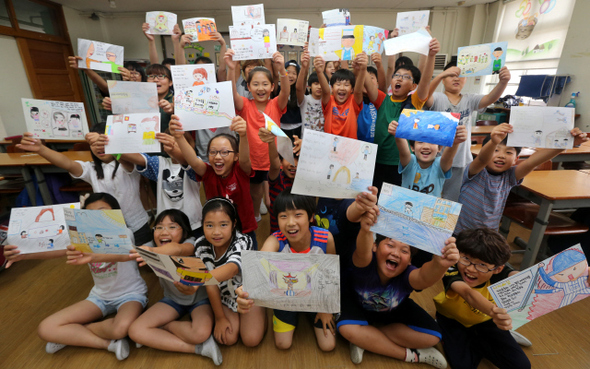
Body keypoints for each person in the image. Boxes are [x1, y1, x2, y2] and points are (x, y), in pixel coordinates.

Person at [4, 193, 148, 360]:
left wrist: (93, 256)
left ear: (116, 214)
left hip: (131, 295)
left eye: (102, 211)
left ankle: (73, 334)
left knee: (120, 329)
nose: (96, 218)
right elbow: (58, 251)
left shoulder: (125, 232)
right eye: (89, 214)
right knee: (46, 328)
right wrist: (23, 256)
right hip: (99, 297)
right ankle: (109, 344)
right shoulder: (83, 237)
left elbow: (125, 255)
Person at [337, 205, 458, 367]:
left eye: (405, 251)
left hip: (393, 311)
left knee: (433, 337)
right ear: (375, 247)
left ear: (409, 261)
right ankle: (411, 356)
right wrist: (365, 230)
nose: (395, 253)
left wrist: (440, 264)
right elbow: (362, 250)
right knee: (347, 329)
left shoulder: (408, 273)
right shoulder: (365, 261)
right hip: (356, 305)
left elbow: (424, 277)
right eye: (390, 245)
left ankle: (366, 339)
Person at [236, 189, 337, 352]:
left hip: (316, 298)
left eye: (298, 215)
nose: (290, 222)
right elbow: (258, 264)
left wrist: (326, 309)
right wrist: (245, 289)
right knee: (283, 344)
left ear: (311, 217)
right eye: (283, 216)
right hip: (285, 299)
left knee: (328, 345)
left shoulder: (325, 239)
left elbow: (331, 274)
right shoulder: (275, 240)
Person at [17, 127, 151, 245]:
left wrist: (110, 144)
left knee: (146, 261)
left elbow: (128, 158)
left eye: (103, 143)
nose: (99, 147)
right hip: (108, 225)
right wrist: (41, 149)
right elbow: (67, 163)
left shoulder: (126, 164)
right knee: (121, 262)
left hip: (137, 224)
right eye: (93, 144)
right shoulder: (91, 169)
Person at [455, 124, 588, 233]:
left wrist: (565, 143)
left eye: (508, 152)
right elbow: (483, 159)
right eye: (496, 150)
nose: (501, 156)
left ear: (516, 159)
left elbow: (533, 162)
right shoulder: (475, 171)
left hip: (488, 234)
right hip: (459, 231)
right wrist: (493, 141)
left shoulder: (509, 176)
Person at [128, 209, 222, 365]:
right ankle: (198, 349)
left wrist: (152, 252)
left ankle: (163, 327)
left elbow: (177, 249)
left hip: (200, 300)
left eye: (172, 227)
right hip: (172, 300)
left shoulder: (191, 243)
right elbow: (129, 253)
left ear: (184, 232)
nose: (164, 232)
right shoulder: (151, 245)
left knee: (200, 333)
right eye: (159, 227)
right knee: (135, 331)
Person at [174, 198, 266, 348]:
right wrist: (220, 318)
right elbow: (211, 285)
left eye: (223, 225)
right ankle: (169, 326)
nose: (216, 232)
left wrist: (197, 280)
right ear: (202, 224)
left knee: (251, 340)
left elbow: (231, 269)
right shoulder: (201, 245)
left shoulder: (243, 240)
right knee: (228, 338)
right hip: (226, 297)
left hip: (248, 294)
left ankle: (261, 310)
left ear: (234, 224)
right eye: (209, 225)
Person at [433, 228, 531, 369]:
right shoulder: (452, 266)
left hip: (486, 322)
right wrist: (495, 313)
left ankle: (488, 338)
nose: (471, 269)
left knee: (522, 366)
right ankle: (479, 340)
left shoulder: (497, 271)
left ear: (497, 269)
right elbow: (468, 294)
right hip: (452, 320)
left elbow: (516, 276)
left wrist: (529, 279)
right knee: (462, 366)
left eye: (482, 265)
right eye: (466, 258)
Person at [424, 61, 511, 201]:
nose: (456, 78)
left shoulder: (469, 99)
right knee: (431, 198)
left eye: (461, 75)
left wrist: (503, 82)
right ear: (444, 79)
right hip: (436, 159)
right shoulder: (438, 98)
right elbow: (424, 96)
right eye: (451, 75)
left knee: (453, 201)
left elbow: (490, 98)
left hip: (461, 161)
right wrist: (440, 75)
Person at [171, 116, 259, 249]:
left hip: (244, 231)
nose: (218, 156)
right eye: (213, 152)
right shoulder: (208, 173)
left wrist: (243, 135)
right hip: (217, 235)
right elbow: (193, 161)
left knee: (249, 266)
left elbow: (246, 159)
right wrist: (179, 137)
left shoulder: (240, 171)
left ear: (236, 156)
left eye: (224, 152)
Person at [225, 49, 289, 224]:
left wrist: (282, 69)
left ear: (272, 87)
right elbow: (231, 94)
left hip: (273, 161)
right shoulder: (245, 104)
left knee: (274, 196)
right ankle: (255, 216)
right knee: (254, 192)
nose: (261, 88)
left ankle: (276, 220)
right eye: (255, 84)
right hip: (252, 162)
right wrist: (232, 69)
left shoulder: (276, 104)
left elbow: (286, 92)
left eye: (265, 84)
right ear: (248, 86)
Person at [102, 131, 204, 238]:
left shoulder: (195, 163)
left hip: (193, 223)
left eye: (176, 142)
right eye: (167, 142)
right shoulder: (160, 163)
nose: (171, 146)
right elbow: (137, 158)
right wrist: (111, 145)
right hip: (165, 226)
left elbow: (187, 161)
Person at [372, 38, 440, 192]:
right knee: (375, 200)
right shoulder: (382, 98)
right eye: (397, 75)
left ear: (413, 86)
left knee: (394, 201)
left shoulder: (415, 102)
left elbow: (426, 80)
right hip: (377, 160)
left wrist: (431, 55)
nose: (400, 78)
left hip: (401, 163)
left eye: (406, 77)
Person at [387, 120, 467, 197]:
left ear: (440, 148)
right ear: (412, 147)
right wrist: (398, 135)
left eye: (432, 142)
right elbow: (404, 152)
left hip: (429, 211)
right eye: (420, 142)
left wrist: (455, 142)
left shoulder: (439, 166)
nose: (426, 147)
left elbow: (448, 157)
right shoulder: (410, 162)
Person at [314, 52, 367, 139]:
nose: (342, 88)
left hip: (349, 148)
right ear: (332, 87)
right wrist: (319, 72)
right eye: (338, 84)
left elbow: (358, 92)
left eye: (346, 85)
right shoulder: (329, 101)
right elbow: (326, 91)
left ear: (352, 89)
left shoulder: (353, 101)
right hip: (330, 147)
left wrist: (363, 70)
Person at [258, 128, 300, 234]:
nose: (293, 164)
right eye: (288, 157)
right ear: (281, 161)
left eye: (297, 158)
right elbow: (274, 165)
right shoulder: (278, 179)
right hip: (279, 234)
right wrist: (271, 142)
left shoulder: (306, 179)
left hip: (301, 232)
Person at [296, 50, 325, 134]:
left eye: (321, 84)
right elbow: (298, 88)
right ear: (309, 86)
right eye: (316, 83)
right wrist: (304, 67)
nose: (319, 86)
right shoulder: (305, 100)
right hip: (306, 141)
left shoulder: (326, 99)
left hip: (322, 140)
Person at [278, 60, 303, 139]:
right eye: (288, 72)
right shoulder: (278, 89)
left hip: (297, 128)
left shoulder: (300, 91)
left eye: (294, 73)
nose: (290, 75)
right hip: (280, 128)